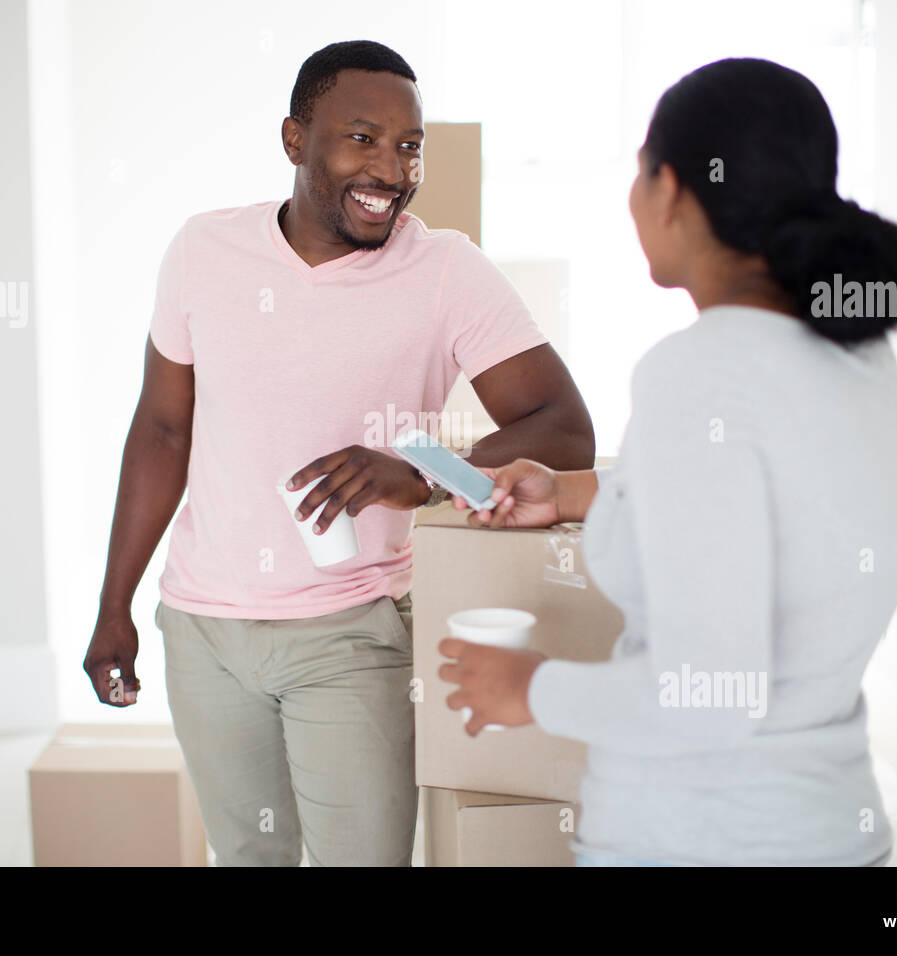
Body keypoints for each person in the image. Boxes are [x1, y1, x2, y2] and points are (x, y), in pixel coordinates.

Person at [82, 39, 595, 867]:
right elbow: (161, 431)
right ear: (295, 139)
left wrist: (420, 473)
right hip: (203, 631)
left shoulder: (445, 270)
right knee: (250, 857)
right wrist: (115, 606)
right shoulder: (202, 251)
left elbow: (564, 425)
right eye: (364, 138)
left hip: (352, 635)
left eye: (409, 145)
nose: (392, 169)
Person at [438, 57, 897, 867]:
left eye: (638, 173)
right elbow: (781, 502)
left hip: (700, 840)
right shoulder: (858, 353)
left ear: (669, 190)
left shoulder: (700, 373)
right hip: (830, 831)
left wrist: (526, 688)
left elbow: (709, 699)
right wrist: (575, 492)